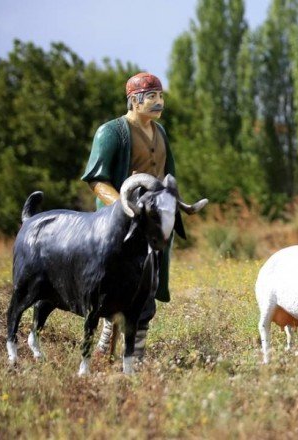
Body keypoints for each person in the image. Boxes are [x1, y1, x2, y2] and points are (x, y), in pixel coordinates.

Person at [81, 72, 185, 360]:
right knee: (112, 285)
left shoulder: (161, 132)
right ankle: (103, 342)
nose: (159, 102)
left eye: (161, 96)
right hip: (118, 224)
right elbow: (97, 181)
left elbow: (167, 176)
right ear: (134, 101)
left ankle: (135, 353)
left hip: (152, 224)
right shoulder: (111, 132)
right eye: (152, 97)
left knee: (147, 287)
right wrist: (123, 208)